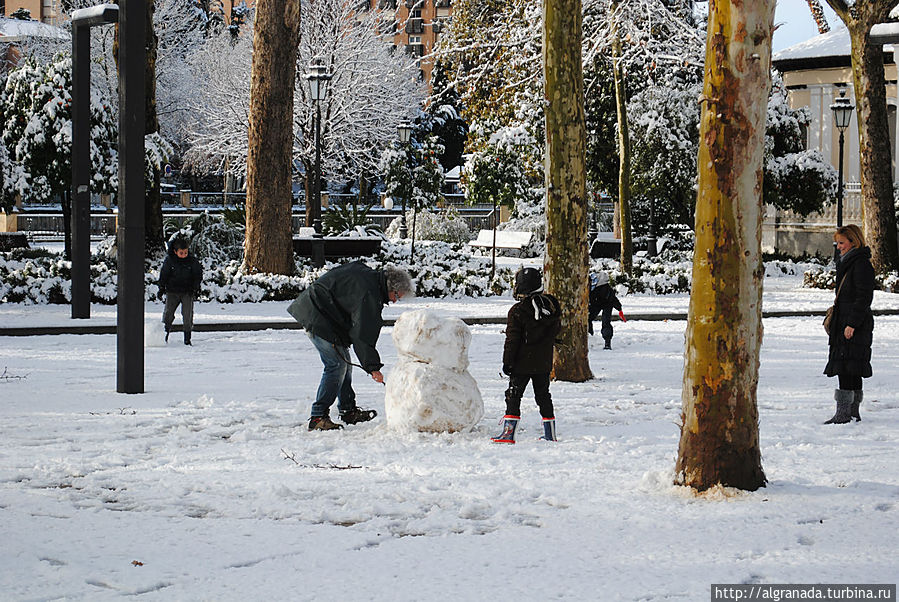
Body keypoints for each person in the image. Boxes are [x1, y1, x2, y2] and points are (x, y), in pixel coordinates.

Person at [288, 261, 413, 431]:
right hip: (318, 316)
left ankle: (347, 410)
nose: (396, 301)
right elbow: (362, 333)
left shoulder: (370, 280)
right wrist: (372, 367)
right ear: (391, 287)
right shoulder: (369, 293)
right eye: (397, 296)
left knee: (344, 364)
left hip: (323, 313)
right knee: (336, 365)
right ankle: (318, 417)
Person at [492, 267, 562, 444]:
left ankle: (509, 433)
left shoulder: (517, 311)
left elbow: (512, 340)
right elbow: (556, 332)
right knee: (543, 395)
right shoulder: (551, 307)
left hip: (521, 363)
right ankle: (550, 433)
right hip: (543, 362)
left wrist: (507, 362)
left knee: (513, 395)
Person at [823, 224, 875, 424]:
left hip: (852, 323)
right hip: (846, 321)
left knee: (847, 367)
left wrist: (851, 324)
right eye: (837, 243)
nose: (839, 247)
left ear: (854, 242)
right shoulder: (850, 262)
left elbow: (863, 297)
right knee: (850, 367)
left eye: (842, 243)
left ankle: (845, 414)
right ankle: (851, 413)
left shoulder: (859, 264)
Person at [158, 237, 203, 346]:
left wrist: (196, 288)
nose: (184, 255)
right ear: (175, 251)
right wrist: (161, 288)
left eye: (186, 253)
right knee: (168, 314)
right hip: (172, 291)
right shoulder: (170, 261)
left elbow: (197, 275)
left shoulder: (192, 261)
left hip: (187, 291)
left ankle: (187, 338)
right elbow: (164, 274)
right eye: (181, 253)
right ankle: (164, 336)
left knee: (187, 315)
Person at [588, 271, 626, 349]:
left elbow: (613, 299)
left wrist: (619, 308)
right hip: (596, 304)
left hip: (607, 305)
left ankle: (607, 342)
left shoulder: (605, 289)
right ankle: (589, 337)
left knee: (605, 322)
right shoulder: (592, 287)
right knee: (588, 319)